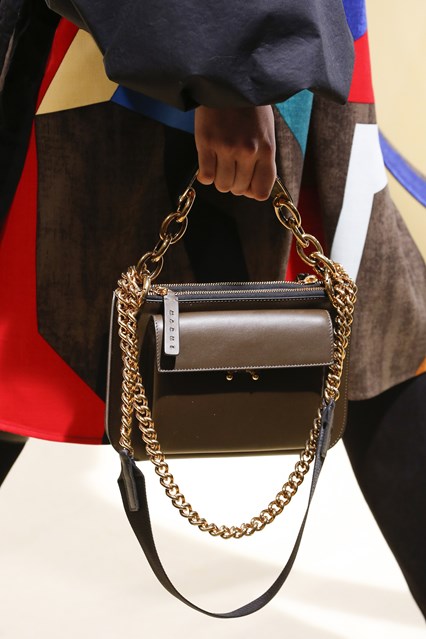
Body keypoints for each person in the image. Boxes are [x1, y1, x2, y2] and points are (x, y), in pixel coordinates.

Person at [0, 0, 425, 618]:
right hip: (211, 38)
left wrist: (234, 73)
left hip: (241, 39)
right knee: (372, 324)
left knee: (376, 326)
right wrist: (230, 77)